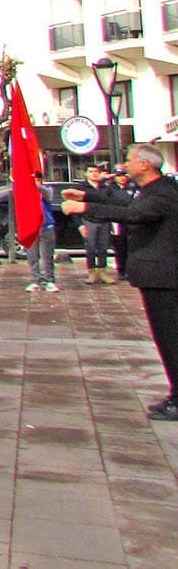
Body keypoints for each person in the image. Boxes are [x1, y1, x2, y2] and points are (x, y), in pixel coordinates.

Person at [62, 144, 178, 420]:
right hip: (157, 275)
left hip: (164, 276)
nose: (124, 165)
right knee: (166, 338)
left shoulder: (163, 193)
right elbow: (127, 204)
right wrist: (87, 194)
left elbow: (134, 214)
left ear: (145, 165)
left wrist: (85, 206)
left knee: (170, 338)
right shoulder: (150, 190)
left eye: (129, 160)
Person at [81, 166, 122, 285]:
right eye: (91, 171)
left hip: (104, 220)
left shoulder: (106, 188)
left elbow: (112, 203)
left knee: (103, 248)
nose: (94, 174)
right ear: (86, 174)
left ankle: (103, 272)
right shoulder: (82, 188)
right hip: (89, 220)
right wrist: (80, 225)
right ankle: (92, 272)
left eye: (96, 172)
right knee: (90, 248)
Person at [25, 189, 60, 293]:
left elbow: (48, 195)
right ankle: (35, 280)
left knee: (47, 256)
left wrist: (34, 185)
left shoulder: (46, 189)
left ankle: (50, 280)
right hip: (30, 227)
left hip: (46, 226)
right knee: (32, 256)